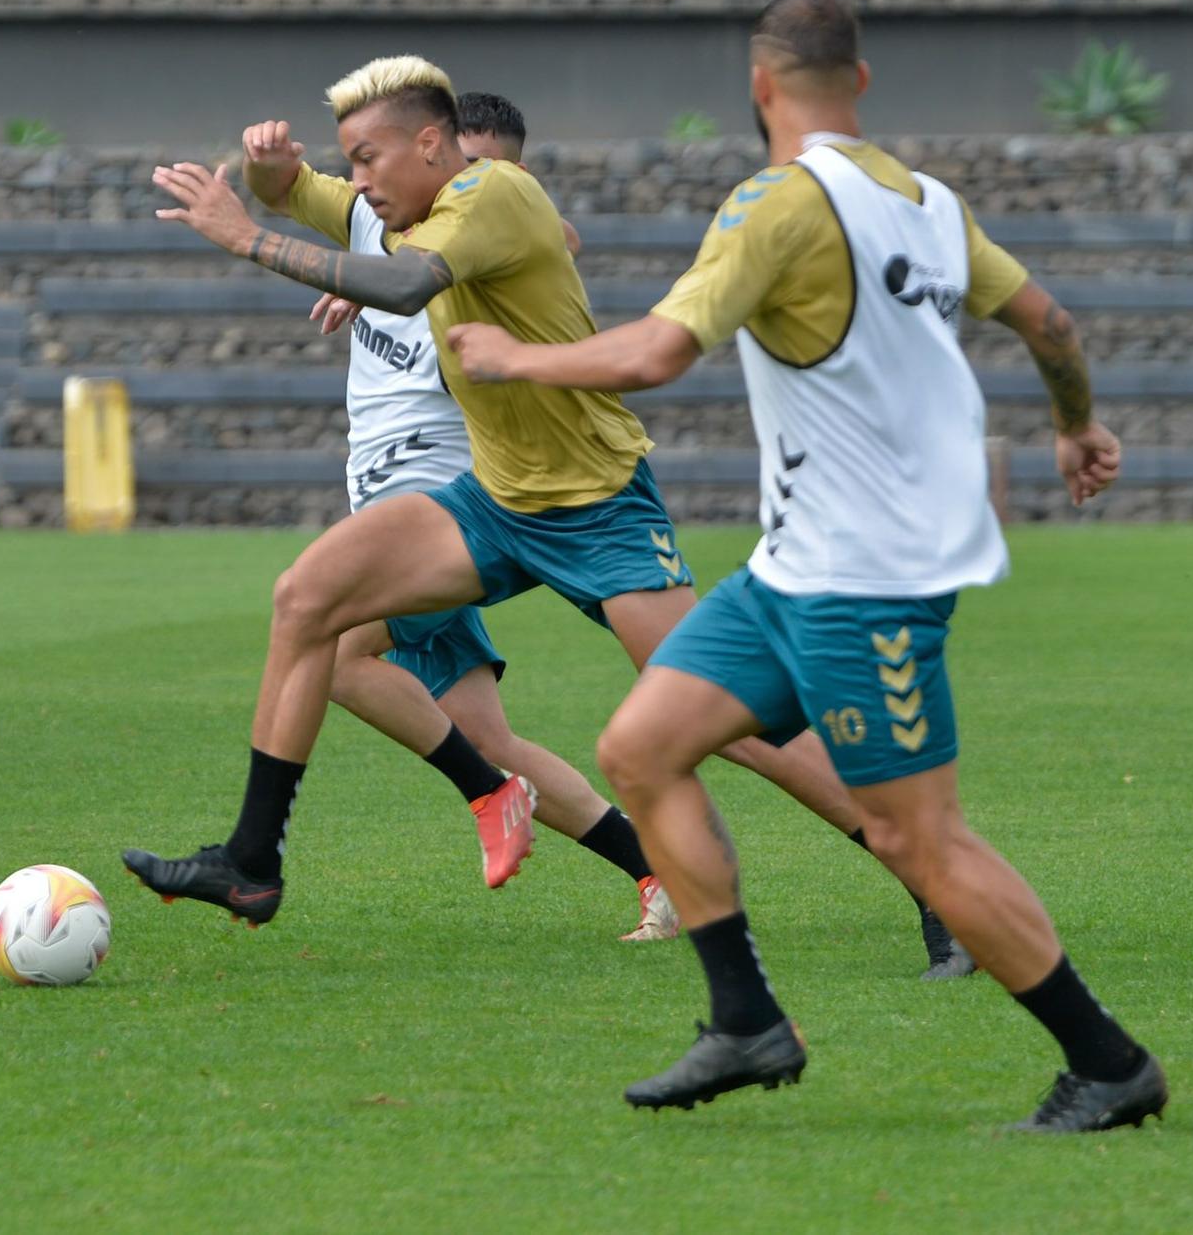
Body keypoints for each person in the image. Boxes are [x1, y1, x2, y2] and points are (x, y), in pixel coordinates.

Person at [449, 0, 1166, 1132]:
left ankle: (1108, 1058)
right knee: (642, 745)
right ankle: (745, 1021)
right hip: (796, 564)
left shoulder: (775, 204)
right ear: (862, 83)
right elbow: (1050, 323)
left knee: (915, 837)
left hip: (869, 575)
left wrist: (510, 357)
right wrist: (1074, 423)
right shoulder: (927, 202)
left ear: (760, 86)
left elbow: (657, 352)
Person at [128, 55, 969, 978]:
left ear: (431, 143)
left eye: (369, 157)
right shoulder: (406, 202)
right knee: (308, 600)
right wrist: (270, 169)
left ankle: (936, 882)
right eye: (351, 162)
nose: (360, 180)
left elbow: (403, 287)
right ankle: (251, 863)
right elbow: (301, 194)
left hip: (599, 507)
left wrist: (246, 237)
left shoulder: (492, 193)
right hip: (495, 500)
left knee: (734, 721)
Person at [255, 96, 677, 942]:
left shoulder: (478, 272)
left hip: (444, 516)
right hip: (389, 502)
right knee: (490, 736)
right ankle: (656, 871)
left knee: (333, 649)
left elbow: (523, 267)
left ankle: (476, 793)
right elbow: (321, 206)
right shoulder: (401, 237)